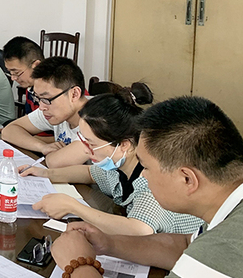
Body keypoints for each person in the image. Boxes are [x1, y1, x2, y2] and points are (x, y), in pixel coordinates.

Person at [50, 96, 243, 278]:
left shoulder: (230, 246)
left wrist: (78, 266)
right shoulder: (231, 206)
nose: (144, 177)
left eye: (146, 168)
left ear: (187, 179)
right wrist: (108, 243)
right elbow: (186, 245)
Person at [26, 84, 204, 236]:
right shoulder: (119, 164)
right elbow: (89, 173)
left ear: (124, 144)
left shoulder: (151, 177)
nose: (86, 150)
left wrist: (73, 206)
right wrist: (45, 174)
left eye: (91, 143)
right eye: (83, 140)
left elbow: (139, 230)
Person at [1, 57, 90, 167]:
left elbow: (55, 162)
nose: (41, 107)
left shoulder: (98, 120)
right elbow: (9, 131)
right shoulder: (55, 109)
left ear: (74, 94)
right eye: (38, 98)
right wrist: (42, 147)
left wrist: (50, 153)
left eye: (46, 99)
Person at [3, 36, 44, 114]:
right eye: (10, 73)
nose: (13, 78)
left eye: (16, 73)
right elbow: (29, 118)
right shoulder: (31, 88)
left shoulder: (54, 94)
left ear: (36, 66)